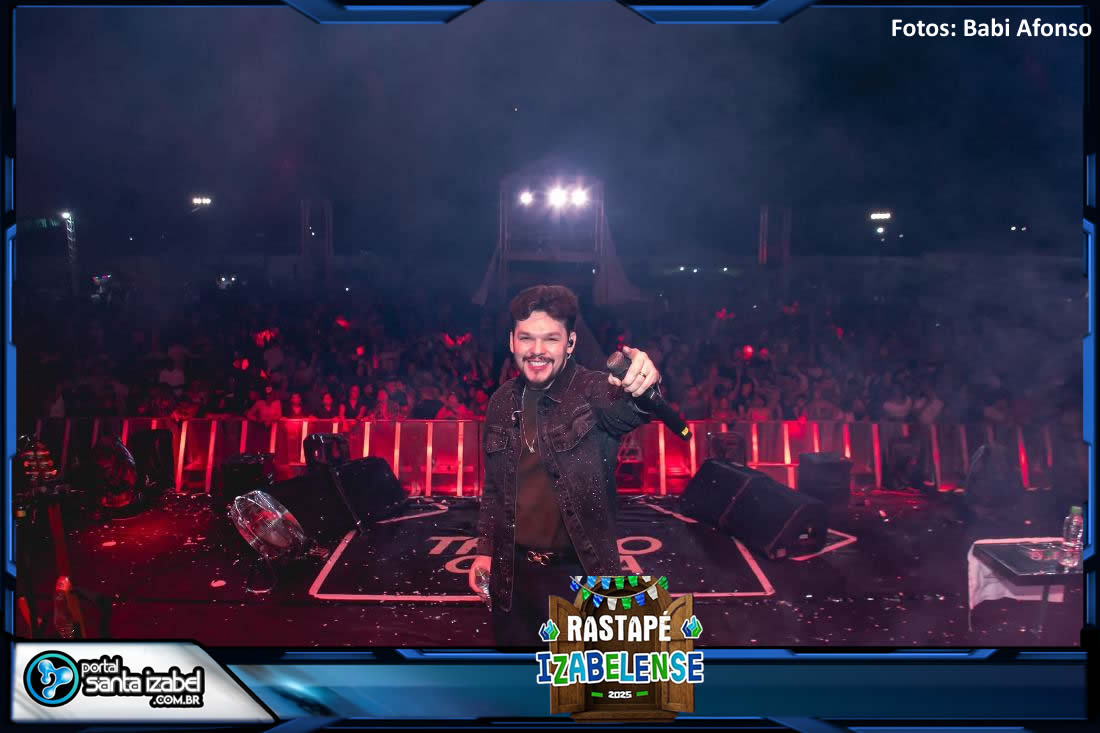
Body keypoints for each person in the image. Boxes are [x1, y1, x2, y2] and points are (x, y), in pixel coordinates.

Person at [468, 285, 659, 646]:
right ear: (512, 341)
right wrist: (485, 551)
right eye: (527, 337)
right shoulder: (500, 401)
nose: (537, 350)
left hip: (581, 579)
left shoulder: (593, 390)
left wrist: (643, 382)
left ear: (570, 343)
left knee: (579, 679)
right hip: (513, 579)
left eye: (551, 339)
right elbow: (494, 489)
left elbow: (628, 409)